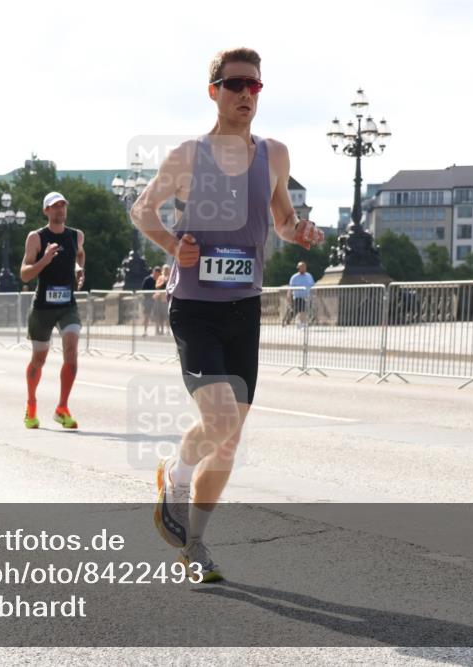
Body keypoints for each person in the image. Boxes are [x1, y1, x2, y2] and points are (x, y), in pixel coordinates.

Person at [131, 47, 324, 581]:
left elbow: (283, 222)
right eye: (236, 84)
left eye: (255, 86)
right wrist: (173, 245)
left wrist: (300, 231)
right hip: (195, 308)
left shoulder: (275, 155)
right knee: (217, 419)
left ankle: (195, 545)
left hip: (245, 308)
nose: (246, 94)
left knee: (230, 435)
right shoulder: (189, 155)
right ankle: (175, 475)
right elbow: (142, 209)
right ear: (213, 90)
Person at [20, 192, 86, 430]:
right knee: (39, 358)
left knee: (72, 350)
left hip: (67, 305)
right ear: (46, 211)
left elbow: (79, 255)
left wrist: (80, 270)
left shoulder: (76, 235)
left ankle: (62, 407)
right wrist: (44, 260)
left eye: (62, 206)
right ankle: (31, 405)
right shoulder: (36, 238)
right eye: (54, 207)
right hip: (43, 308)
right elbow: (24, 273)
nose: (59, 210)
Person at [288, 261, 315, 328]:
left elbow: (312, 285)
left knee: (302, 311)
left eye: (304, 267)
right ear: (298, 268)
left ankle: (300, 322)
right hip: (298, 297)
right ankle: (301, 323)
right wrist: (288, 296)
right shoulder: (294, 277)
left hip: (307, 296)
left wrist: (314, 294)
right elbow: (290, 288)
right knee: (302, 310)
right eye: (302, 267)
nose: (303, 268)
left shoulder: (309, 276)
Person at [140, 266, 161, 336]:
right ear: (153, 272)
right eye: (156, 274)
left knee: (157, 315)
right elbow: (143, 290)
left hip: (157, 301)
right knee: (147, 316)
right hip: (148, 301)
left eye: (158, 275)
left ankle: (157, 331)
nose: (156, 276)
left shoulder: (160, 280)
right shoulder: (147, 279)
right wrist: (151, 295)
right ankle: (145, 331)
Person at [153, 263, 170, 335]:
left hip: (167, 300)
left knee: (167, 316)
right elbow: (157, 286)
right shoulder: (160, 277)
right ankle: (160, 330)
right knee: (159, 316)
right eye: (165, 269)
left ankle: (168, 330)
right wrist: (164, 281)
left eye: (167, 269)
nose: (166, 271)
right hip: (160, 300)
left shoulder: (171, 277)